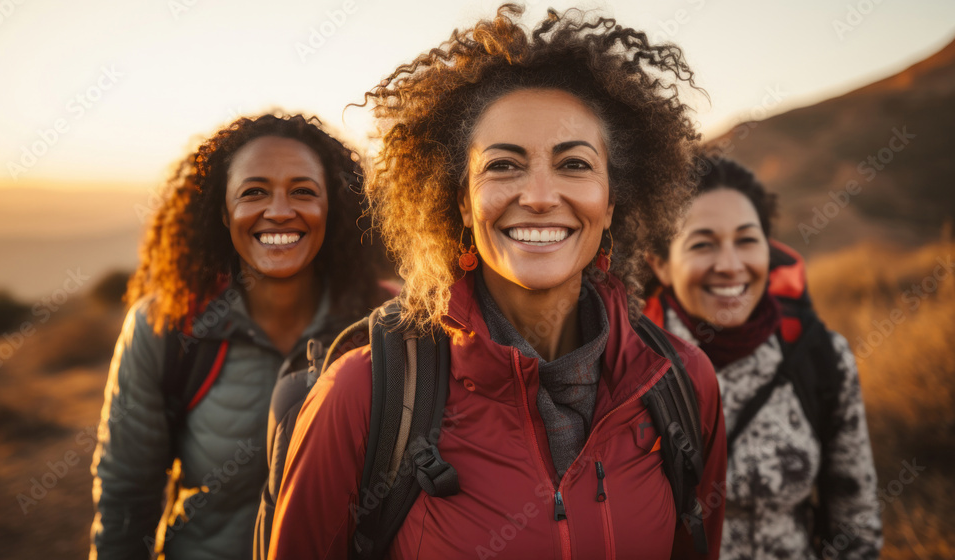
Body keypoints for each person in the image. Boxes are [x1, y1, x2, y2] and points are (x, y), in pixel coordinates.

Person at [269, 6, 726, 559]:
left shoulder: (682, 385)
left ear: (610, 204)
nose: (537, 195)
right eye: (503, 165)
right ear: (462, 201)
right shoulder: (362, 397)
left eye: (574, 165)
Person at [90, 113, 387, 559]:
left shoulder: (385, 325)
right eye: (254, 193)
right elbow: (126, 499)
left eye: (304, 191)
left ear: (335, 208)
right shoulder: (167, 327)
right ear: (223, 213)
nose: (280, 211)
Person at [645, 155, 882, 559]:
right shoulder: (629, 367)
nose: (730, 265)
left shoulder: (822, 357)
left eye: (747, 240)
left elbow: (855, 521)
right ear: (661, 265)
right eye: (702, 244)